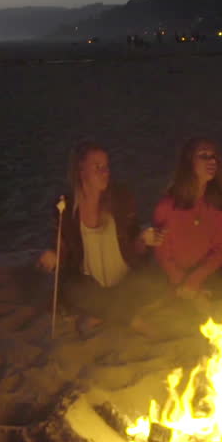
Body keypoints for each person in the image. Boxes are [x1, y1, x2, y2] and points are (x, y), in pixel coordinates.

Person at [37, 142, 164, 334]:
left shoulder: (120, 198)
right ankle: (131, 319)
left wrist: (144, 238)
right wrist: (53, 255)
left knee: (154, 280)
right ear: (80, 170)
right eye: (97, 167)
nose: (105, 172)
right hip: (90, 284)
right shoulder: (65, 208)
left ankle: (100, 314)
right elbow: (62, 249)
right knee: (73, 288)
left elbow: (135, 244)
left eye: (106, 166)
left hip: (123, 280)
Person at [153, 138, 222, 315]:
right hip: (172, 280)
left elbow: (221, 249)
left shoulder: (220, 206)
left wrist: (195, 281)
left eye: (213, 156)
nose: (211, 161)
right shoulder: (167, 206)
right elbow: (162, 254)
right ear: (189, 162)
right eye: (204, 156)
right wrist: (183, 285)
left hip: (207, 277)